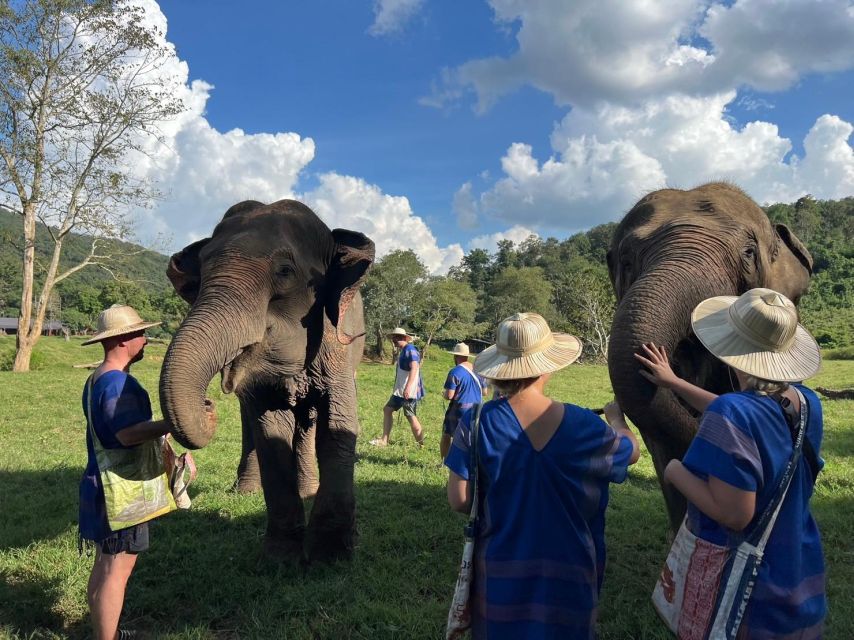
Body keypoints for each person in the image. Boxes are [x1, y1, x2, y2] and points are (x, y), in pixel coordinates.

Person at [635, 288, 826, 639]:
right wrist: (673, 383)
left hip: (750, 592)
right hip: (799, 567)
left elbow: (735, 515)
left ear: (728, 349)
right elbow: (747, 412)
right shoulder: (808, 402)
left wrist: (674, 471)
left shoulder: (732, 412)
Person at [445, 312, 640, 639]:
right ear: (548, 366)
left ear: (501, 369)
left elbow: (460, 500)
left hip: (500, 574)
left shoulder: (476, 422)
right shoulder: (584, 425)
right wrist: (618, 421)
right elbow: (630, 453)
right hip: (572, 574)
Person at [78, 304, 215, 640]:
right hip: (121, 495)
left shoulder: (97, 379)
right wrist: (175, 423)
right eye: (140, 333)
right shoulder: (117, 384)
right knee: (116, 572)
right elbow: (126, 434)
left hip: (102, 487)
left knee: (105, 566)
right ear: (122, 340)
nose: (146, 339)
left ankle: (104, 632)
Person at [370, 327, 425, 447]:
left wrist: (408, 387)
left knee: (410, 416)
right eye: (394, 337)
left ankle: (421, 445)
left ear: (405, 338)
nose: (395, 340)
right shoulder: (404, 350)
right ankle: (384, 440)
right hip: (400, 391)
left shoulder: (410, 350)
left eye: (398, 338)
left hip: (408, 392)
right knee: (387, 410)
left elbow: (415, 367)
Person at [440, 342, 486, 460]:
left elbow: (449, 395)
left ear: (455, 356)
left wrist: (444, 394)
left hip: (459, 408)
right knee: (472, 439)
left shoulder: (455, 372)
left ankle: (445, 461)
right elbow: (485, 392)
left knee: (447, 435)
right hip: (477, 409)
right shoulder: (479, 370)